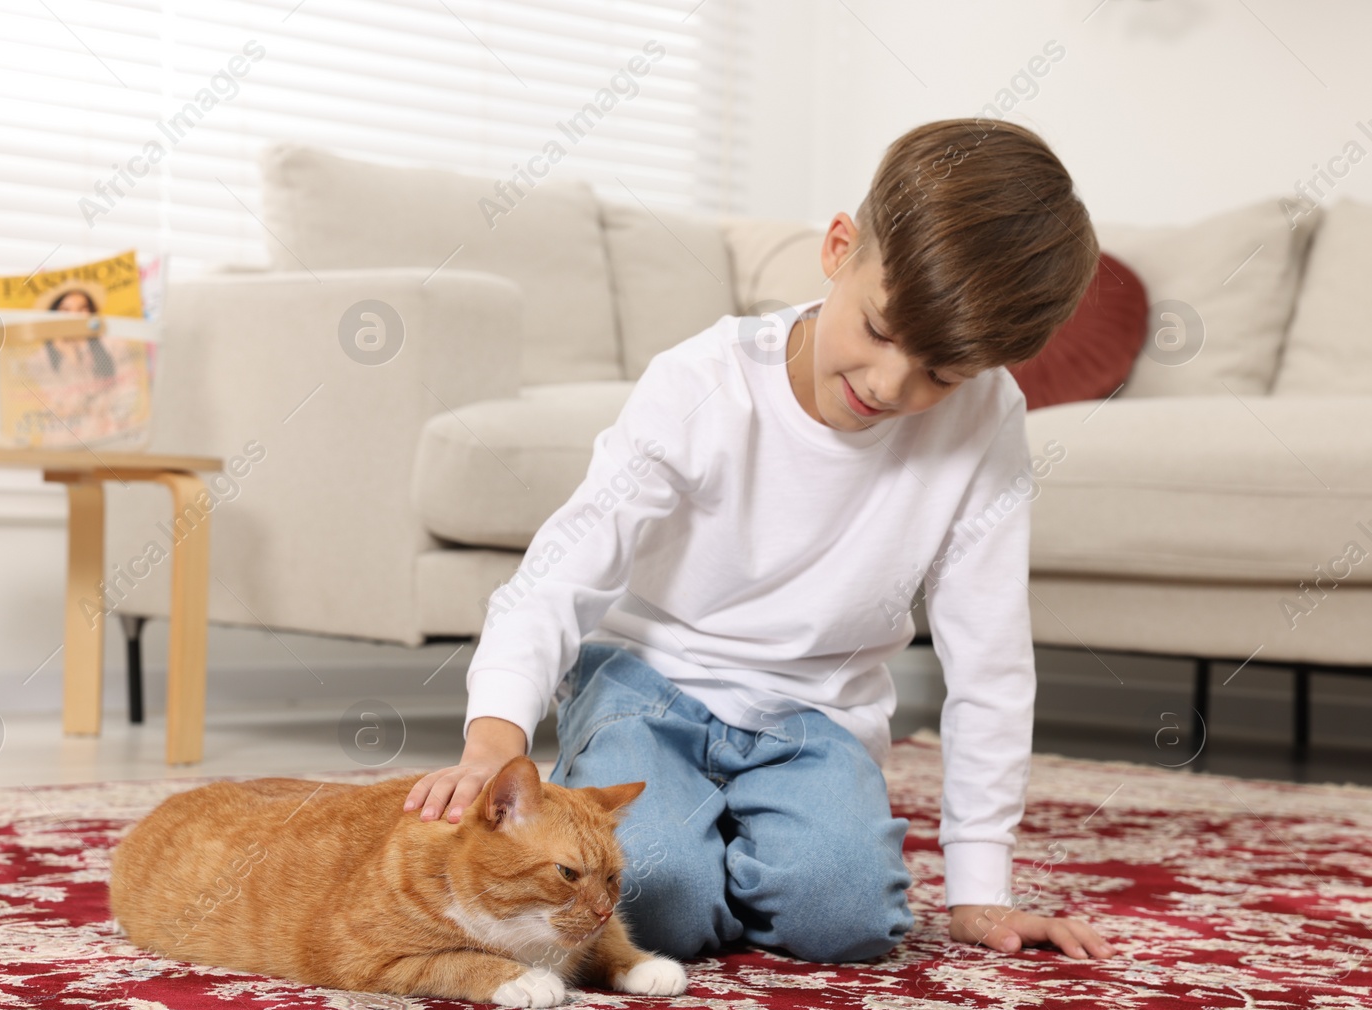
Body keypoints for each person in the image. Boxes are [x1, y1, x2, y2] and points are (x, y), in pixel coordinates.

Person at [403, 117, 1116, 965]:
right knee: (656, 896)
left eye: (943, 373)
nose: (890, 385)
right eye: (881, 331)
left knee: (846, 922)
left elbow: (990, 652)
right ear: (839, 248)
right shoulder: (701, 383)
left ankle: (749, 838)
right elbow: (562, 572)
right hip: (650, 688)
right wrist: (495, 735)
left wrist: (979, 887)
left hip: (816, 715)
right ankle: (697, 843)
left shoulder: (987, 418)